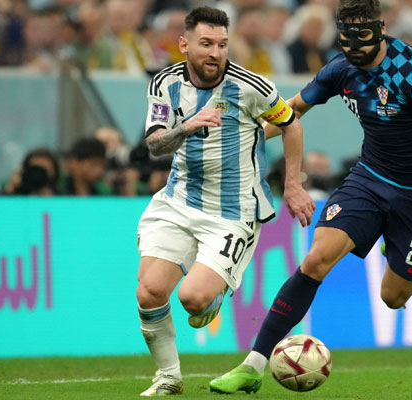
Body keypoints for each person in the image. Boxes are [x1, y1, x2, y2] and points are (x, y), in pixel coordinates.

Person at [209, 0, 412, 394]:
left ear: (380, 29)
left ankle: (394, 248)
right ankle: (253, 365)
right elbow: (292, 110)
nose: (353, 46)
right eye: (346, 37)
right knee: (316, 258)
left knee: (393, 296)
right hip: (371, 180)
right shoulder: (341, 69)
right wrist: (238, 144)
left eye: (362, 37)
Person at [134, 6, 314, 396]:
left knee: (193, 299)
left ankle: (210, 296)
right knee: (149, 291)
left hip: (232, 212)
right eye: (206, 44)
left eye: (222, 44)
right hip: (178, 201)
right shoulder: (163, 83)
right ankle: (168, 376)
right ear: (184, 44)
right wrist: (187, 126)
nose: (215, 52)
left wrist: (294, 185)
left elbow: (290, 123)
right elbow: (154, 145)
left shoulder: (252, 86)